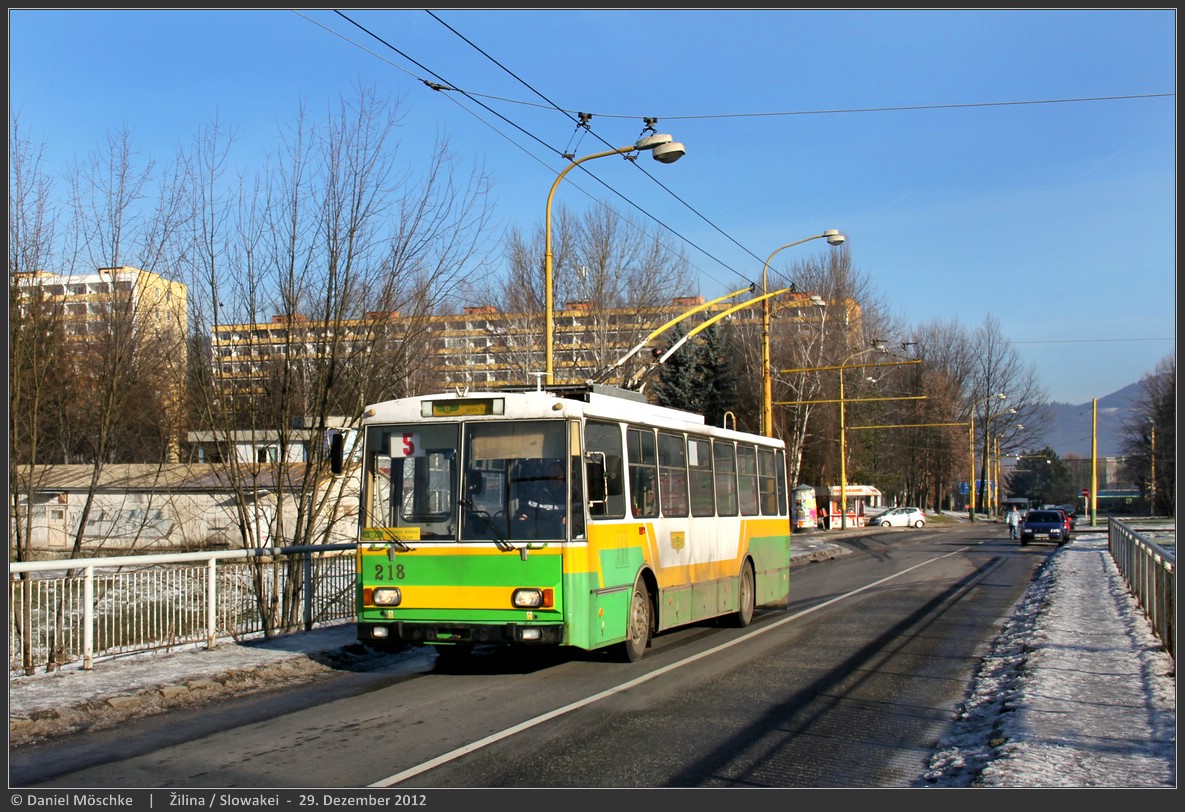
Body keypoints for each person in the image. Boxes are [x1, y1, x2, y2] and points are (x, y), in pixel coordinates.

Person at [517, 460, 567, 538]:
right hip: (541, 537)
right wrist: (523, 515)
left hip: (566, 538)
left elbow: (579, 517)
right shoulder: (538, 494)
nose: (555, 480)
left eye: (558, 476)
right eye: (552, 475)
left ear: (564, 476)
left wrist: (571, 519)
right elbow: (529, 512)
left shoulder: (572, 494)